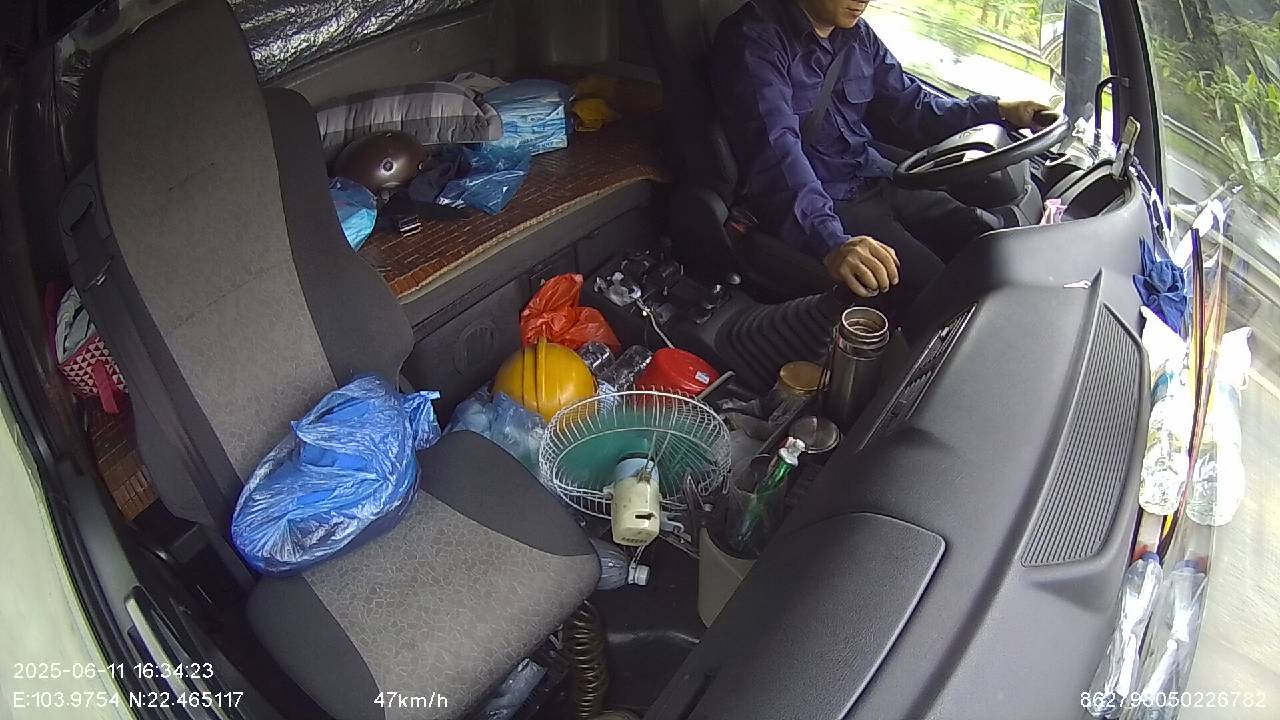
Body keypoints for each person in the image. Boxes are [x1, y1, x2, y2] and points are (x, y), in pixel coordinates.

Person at [710, 0, 1050, 308]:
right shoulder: (754, 41)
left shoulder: (858, 37)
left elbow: (914, 107)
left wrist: (998, 110)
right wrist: (831, 242)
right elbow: (776, 155)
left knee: (988, 242)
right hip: (824, 202)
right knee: (944, 295)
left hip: (875, 173)